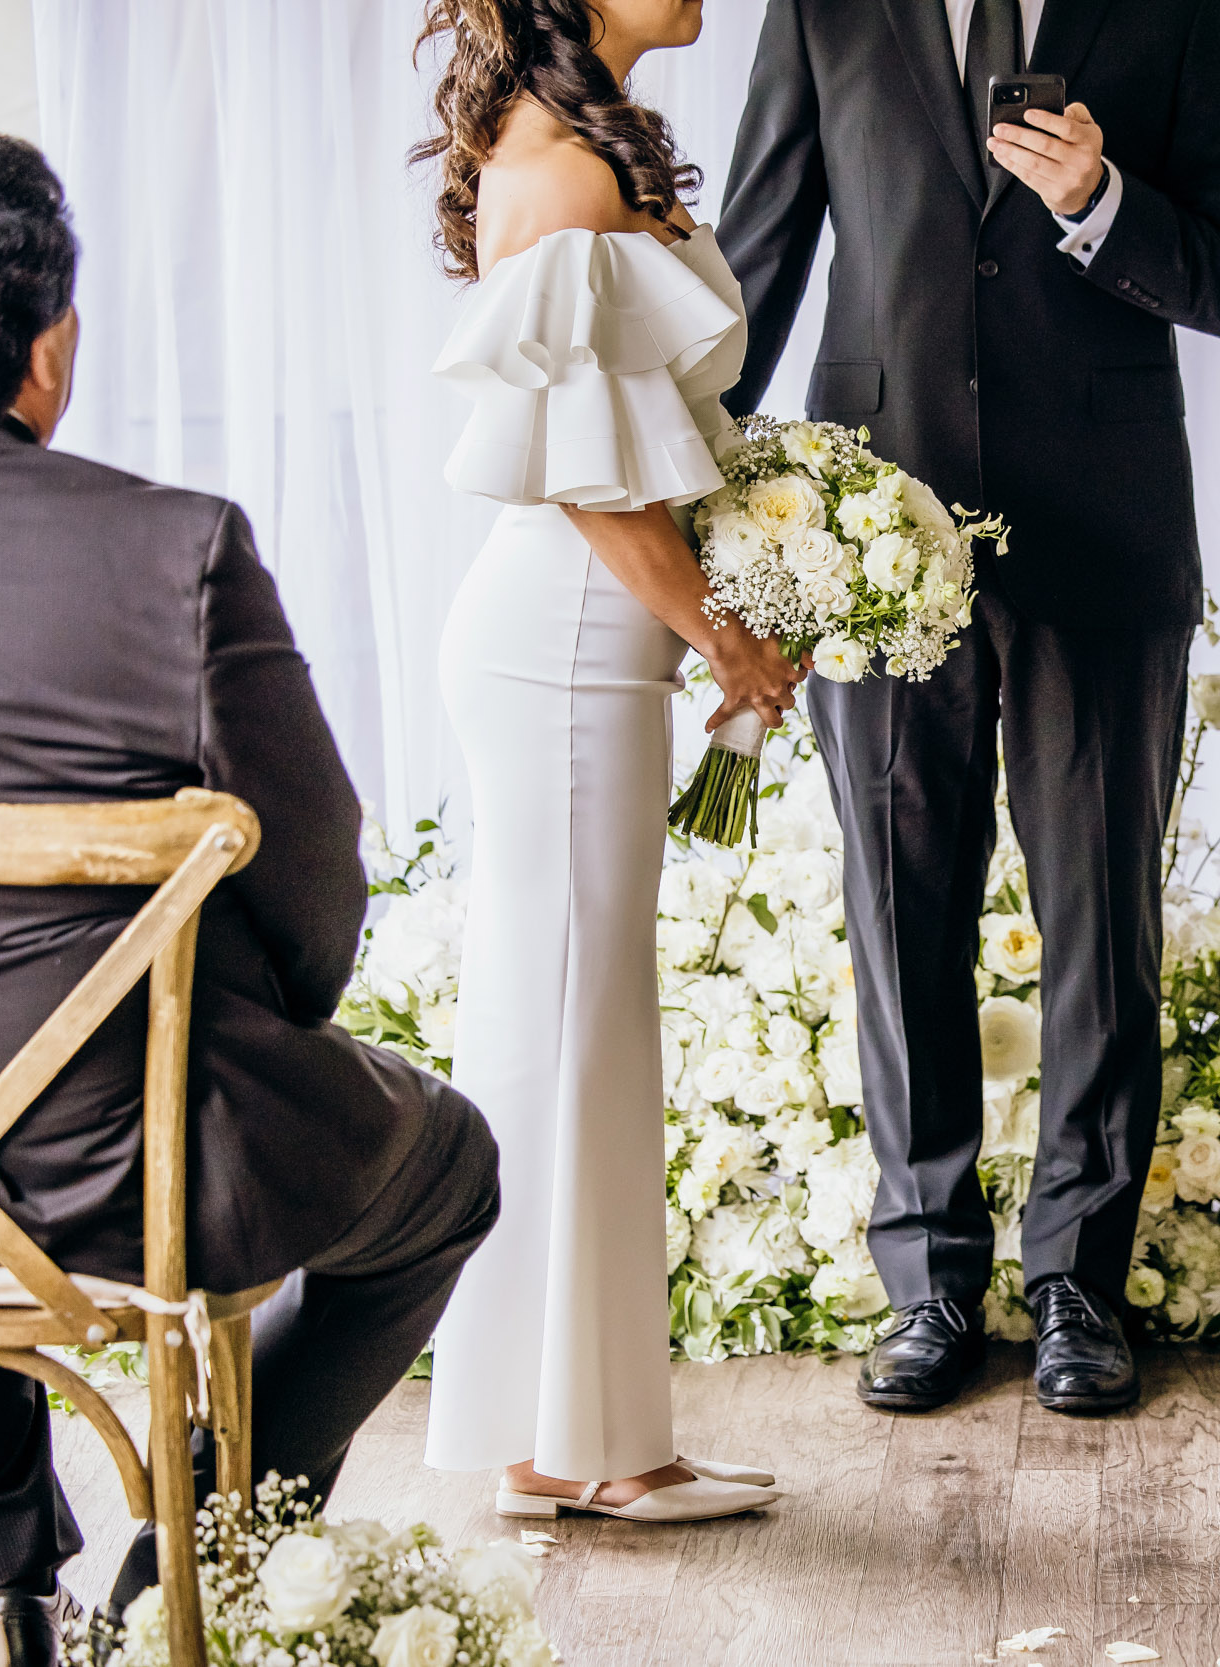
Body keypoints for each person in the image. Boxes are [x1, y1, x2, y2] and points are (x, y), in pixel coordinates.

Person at [0, 128, 502, 1660]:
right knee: (449, 1162)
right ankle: (193, 1547)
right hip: (129, 1181)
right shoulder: (172, 551)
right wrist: (248, 1007)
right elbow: (320, 898)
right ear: (50, 349)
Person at [718, 0, 1220, 1415]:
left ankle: (1081, 1274)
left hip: (1106, 526)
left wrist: (1098, 199)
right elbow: (760, 256)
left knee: (1101, 912)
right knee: (898, 902)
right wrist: (690, 509)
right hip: (871, 524)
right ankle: (930, 1276)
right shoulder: (823, 7)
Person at [415, 0, 788, 1521]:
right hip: (568, 637)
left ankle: (567, 1434)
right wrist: (729, 635)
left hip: (584, 637)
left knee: (572, 1025)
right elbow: (588, 480)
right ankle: (591, 1449)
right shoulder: (560, 167)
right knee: (574, 1030)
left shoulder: (582, 145)